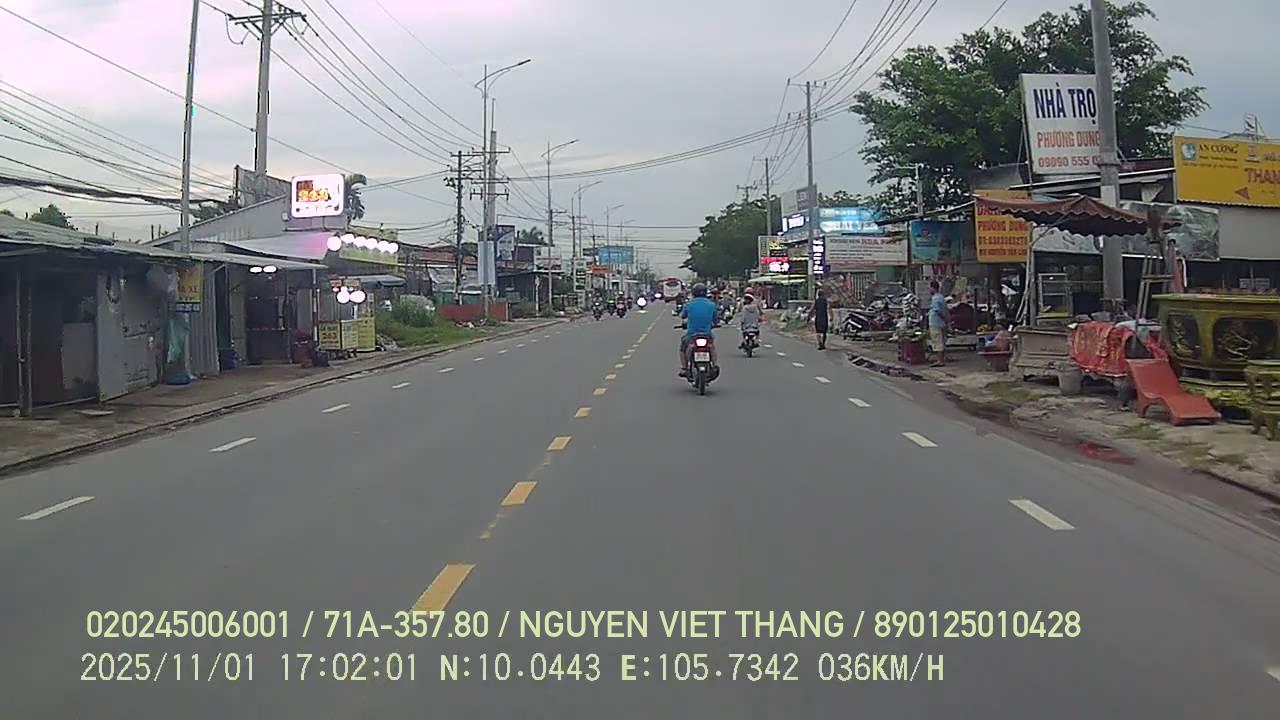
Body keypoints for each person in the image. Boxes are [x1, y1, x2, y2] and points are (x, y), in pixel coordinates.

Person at [679, 283, 719, 376]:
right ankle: (715, 365)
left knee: (683, 348)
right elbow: (716, 319)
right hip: (707, 334)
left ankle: (684, 368)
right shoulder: (711, 305)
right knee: (711, 346)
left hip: (692, 334)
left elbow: (683, 315)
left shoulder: (689, 304)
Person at [928, 281, 948, 366]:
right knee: (941, 341)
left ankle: (940, 360)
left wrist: (944, 318)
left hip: (936, 322)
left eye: (930, 288)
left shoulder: (935, 298)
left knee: (937, 342)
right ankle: (941, 359)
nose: (929, 290)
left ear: (933, 288)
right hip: (941, 323)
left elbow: (938, 310)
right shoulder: (941, 297)